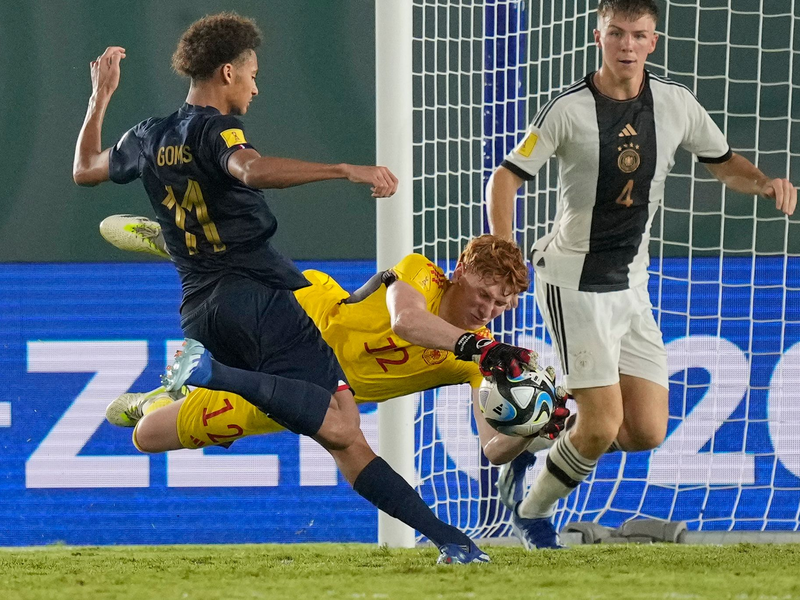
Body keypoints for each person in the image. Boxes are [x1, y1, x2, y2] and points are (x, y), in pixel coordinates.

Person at [73, 12, 532, 563]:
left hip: (201, 307)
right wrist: (344, 169)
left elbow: (85, 171)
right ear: (226, 72)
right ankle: (208, 372)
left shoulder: (148, 134)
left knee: (335, 435)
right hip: (258, 300)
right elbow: (250, 170)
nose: (256, 85)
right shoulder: (216, 128)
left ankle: (451, 542)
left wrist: (100, 98)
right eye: (251, 75)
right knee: (345, 430)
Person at [485, 0, 797, 550]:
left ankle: (546, 420)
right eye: (616, 33)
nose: (627, 44)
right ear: (598, 37)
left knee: (644, 432)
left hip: (630, 285)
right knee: (602, 426)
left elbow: (724, 163)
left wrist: (765, 183)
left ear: (653, 42)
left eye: (638, 35)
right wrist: (505, 253)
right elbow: (504, 181)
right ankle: (531, 514)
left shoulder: (676, 105)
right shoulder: (567, 109)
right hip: (572, 282)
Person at [100, 223, 570, 469]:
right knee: (237, 271)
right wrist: (481, 350)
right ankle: (178, 245)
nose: (488, 310)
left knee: (148, 437)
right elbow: (407, 323)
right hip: (308, 312)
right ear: (461, 270)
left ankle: (151, 402)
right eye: (484, 294)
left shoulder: (475, 361)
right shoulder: (421, 274)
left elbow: (491, 449)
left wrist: (531, 429)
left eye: (500, 305)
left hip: (306, 390)